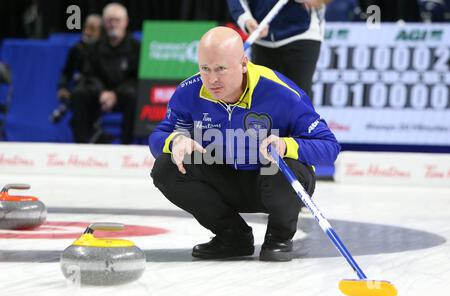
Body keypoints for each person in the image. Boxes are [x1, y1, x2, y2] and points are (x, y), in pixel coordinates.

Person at [149, 27, 340, 262]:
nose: (212, 79)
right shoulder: (189, 92)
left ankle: (279, 237)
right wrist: (175, 140)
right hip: (225, 178)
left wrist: (285, 145)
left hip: (273, 180)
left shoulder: (283, 93)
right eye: (205, 69)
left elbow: (329, 147)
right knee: (166, 167)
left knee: (284, 165)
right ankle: (232, 236)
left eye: (221, 69)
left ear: (243, 63)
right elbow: (159, 136)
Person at [227, 0, 331, 99]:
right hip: (261, 38)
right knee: (264, 104)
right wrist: (245, 20)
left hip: (302, 34)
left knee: (298, 101)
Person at [70, 3, 140, 144]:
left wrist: (115, 94)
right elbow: (88, 74)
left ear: (126, 22)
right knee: (79, 93)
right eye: (109, 20)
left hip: (123, 95)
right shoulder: (94, 47)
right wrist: (101, 92)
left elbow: (136, 78)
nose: (113, 24)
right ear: (104, 23)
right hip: (99, 96)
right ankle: (81, 146)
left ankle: (126, 146)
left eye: (117, 20)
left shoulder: (136, 47)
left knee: (135, 96)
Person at [57, 14, 103, 103]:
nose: (87, 32)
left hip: (100, 90)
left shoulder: (105, 49)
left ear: (100, 31)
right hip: (82, 89)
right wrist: (62, 87)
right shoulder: (77, 48)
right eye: (86, 28)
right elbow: (67, 72)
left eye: (92, 29)